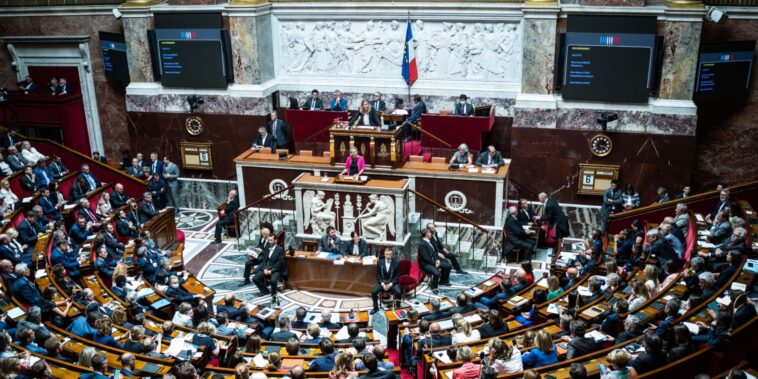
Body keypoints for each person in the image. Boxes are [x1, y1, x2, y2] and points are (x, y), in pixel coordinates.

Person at [253, 234, 286, 303]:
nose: (269, 242)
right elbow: (265, 260)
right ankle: (264, 291)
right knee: (255, 278)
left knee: (273, 281)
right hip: (267, 268)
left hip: (276, 269)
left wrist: (271, 270)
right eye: (268, 240)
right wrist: (265, 268)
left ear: (276, 241)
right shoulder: (267, 247)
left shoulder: (280, 249)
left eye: (271, 240)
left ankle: (273, 296)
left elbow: (280, 262)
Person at [418, 229, 451, 293]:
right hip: (426, 264)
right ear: (426, 234)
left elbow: (434, 253)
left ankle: (443, 281)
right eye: (429, 233)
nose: (431, 234)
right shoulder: (422, 244)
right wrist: (435, 263)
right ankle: (434, 286)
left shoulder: (429, 242)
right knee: (437, 273)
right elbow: (425, 258)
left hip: (433, 261)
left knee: (448, 265)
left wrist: (437, 260)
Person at [371, 248, 400, 314]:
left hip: (392, 282)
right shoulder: (380, 262)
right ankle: (375, 308)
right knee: (373, 292)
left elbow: (397, 276)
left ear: (392, 254)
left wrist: (391, 284)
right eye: (387, 254)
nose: (388, 256)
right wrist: (382, 284)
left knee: (398, 292)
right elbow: (378, 275)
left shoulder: (396, 263)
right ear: (384, 254)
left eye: (390, 254)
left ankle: (398, 306)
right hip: (382, 282)